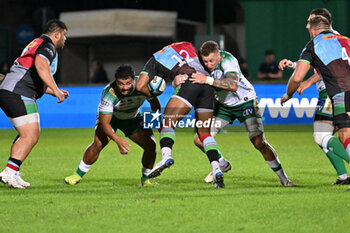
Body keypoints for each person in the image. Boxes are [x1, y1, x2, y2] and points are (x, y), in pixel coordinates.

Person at [186, 41, 295, 186]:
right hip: (224, 106)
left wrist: (207, 79)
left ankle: (284, 179)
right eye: (205, 61)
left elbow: (232, 85)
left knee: (258, 142)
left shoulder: (228, 60)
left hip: (245, 102)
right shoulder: (199, 64)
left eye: (211, 60)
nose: (208, 64)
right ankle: (222, 163)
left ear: (218, 55)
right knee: (199, 139)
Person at [136, 41, 225, 188]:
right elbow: (193, 65)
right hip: (207, 86)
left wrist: (153, 97)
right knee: (204, 133)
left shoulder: (154, 60)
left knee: (166, 123)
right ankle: (216, 169)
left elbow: (140, 86)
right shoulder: (187, 45)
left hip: (189, 83)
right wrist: (175, 80)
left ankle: (166, 157)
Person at [279, 8, 350, 185]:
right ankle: (343, 176)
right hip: (338, 91)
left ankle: (343, 175)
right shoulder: (343, 40)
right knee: (333, 136)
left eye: (310, 22)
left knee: (329, 135)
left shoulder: (316, 43)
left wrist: (294, 91)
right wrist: (293, 64)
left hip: (335, 92)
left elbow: (310, 73)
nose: (307, 24)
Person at [0, 19, 69, 189]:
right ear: (57, 34)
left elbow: (33, 76)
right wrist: (56, 88)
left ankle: (13, 172)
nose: (65, 39)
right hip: (18, 92)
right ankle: (9, 172)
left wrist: (54, 91)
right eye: (64, 35)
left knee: (30, 133)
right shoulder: (48, 45)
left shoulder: (36, 43)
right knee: (30, 134)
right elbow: (40, 64)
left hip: (17, 90)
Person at [65, 65, 161, 186]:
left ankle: (146, 179)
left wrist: (158, 123)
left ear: (133, 80)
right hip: (112, 119)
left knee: (151, 146)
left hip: (133, 117)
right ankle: (77, 175)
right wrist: (118, 140)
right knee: (98, 144)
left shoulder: (143, 85)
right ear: (116, 81)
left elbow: (154, 103)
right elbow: (105, 123)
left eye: (128, 83)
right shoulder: (109, 93)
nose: (125, 87)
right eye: (121, 84)